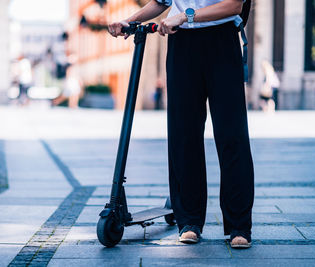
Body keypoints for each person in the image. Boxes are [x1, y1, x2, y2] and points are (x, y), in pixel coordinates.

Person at [108, 0, 254, 248]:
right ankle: (189, 221)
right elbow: (160, 2)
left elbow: (234, 5)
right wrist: (130, 21)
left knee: (232, 134)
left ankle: (239, 226)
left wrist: (187, 16)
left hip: (221, 40)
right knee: (184, 134)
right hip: (182, 43)